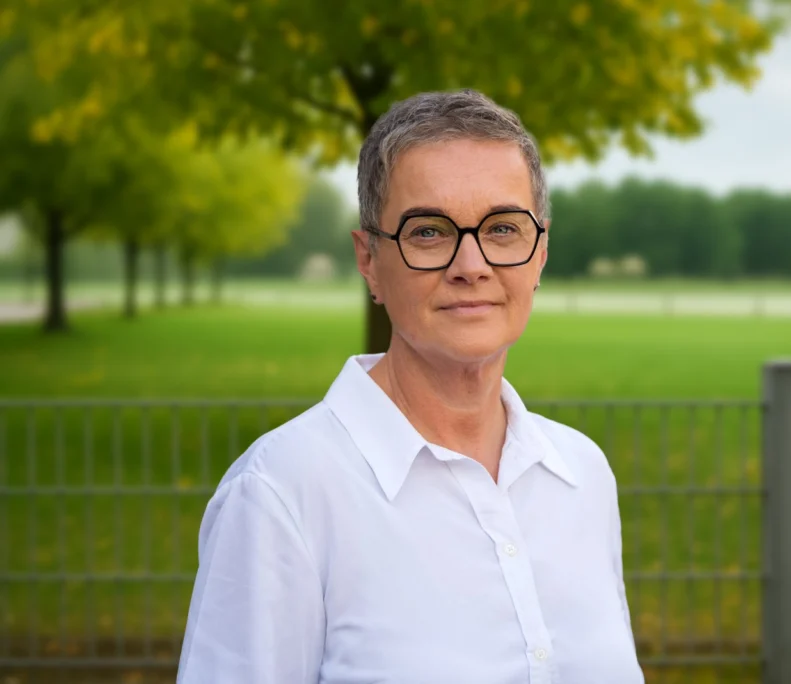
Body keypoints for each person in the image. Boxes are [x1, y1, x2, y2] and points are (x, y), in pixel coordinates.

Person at [176, 89, 644, 684]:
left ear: (541, 252)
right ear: (369, 259)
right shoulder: (280, 494)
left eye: (502, 228)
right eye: (428, 232)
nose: (471, 264)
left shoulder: (581, 475)